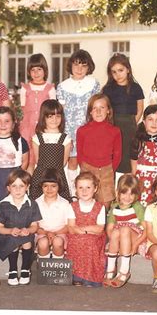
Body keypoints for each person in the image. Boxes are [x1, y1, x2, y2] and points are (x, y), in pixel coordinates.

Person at [56, 49, 101, 196]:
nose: (79, 69)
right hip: (70, 130)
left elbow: (97, 107)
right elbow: (61, 112)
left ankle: (87, 193)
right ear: (70, 66)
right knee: (72, 161)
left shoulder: (94, 84)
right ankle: (72, 193)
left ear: (89, 67)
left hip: (89, 129)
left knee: (87, 163)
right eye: (76, 65)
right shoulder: (63, 86)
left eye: (83, 65)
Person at [0, 169, 42, 286]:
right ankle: (12, 270)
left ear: (27, 187)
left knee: (27, 241)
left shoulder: (32, 204)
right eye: (14, 186)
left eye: (21, 186)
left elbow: (34, 226)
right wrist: (10, 230)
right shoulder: (3, 205)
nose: (17, 189)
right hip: (8, 235)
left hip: (26, 234)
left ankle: (25, 269)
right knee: (13, 241)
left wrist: (28, 230)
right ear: (8, 188)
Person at [76, 93, 122, 209]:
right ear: (90, 112)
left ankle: (103, 225)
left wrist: (110, 169)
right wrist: (85, 168)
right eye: (94, 108)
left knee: (105, 204)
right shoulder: (82, 130)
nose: (98, 111)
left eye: (102, 108)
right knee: (87, 202)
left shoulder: (115, 131)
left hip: (106, 171)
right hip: (87, 169)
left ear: (108, 111)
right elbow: (80, 153)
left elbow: (117, 154)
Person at [102, 53, 144, 175]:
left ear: (128, 70)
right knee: (114, 155)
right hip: (113, 124)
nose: (117, 74)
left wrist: (132, 123)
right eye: (114, 72)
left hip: (130, 126)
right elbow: (105, 108)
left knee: (128, 156)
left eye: (120, 70)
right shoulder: (108, 88)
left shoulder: (135, 87)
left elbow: (140, 108)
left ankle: (127, 186)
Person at [104, 174, 146, 288]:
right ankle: (110, 270)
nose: (128, 197)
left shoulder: (137, 207)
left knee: (124, 228)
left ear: (136, 194)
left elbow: (147, 230)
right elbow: (109, 229)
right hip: (121, 237)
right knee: (116, 231)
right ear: (118, 192)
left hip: (137, 239)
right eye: (124, 193)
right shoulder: (115, 207)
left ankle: (124, 270)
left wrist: (135, 245)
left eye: (131, 193)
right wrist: (114, 241)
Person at [66, 172, 106, 287]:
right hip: (76, 235)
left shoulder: (100, 207)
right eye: (80, 188)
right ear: (76, 190)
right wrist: (85, 231)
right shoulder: (72, 206)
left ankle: (90, 277)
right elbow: (71, 227)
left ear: (95, 189)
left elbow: (99, 228)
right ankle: (76, 276)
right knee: (77, 241)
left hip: (95, 237)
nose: (84, 191)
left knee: (90, 242)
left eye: (88, 187)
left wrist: (85, 230)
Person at [19, 54, 56, 174]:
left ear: (45, 70)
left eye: (39, 69)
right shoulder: (25, 88)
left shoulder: (50, 88)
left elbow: (52, 110)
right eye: (33, 70)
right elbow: (23, 108)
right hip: (27, 128)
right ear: (29, 72)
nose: (36, 73)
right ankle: (27, 184)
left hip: (43, 128)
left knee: (42, 158)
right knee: (28, 159)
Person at [130, 105, 157, 206]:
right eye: (150, 119)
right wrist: (134, 181)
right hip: (142, 180)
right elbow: (134, 165)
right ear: (144, 121)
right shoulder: (138, 141)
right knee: (141, 204)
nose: (154, 123)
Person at [29, 99, 71, 201]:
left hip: (57, 177)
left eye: (58, 116)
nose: (54, 120)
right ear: (43, 117)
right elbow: (38, 160)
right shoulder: (37, 138)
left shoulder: (66, 139)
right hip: (40, 177)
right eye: (50, 116)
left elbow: (64, 162)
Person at [35, 168, 75, 259]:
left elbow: (68, 226)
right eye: (46, 186)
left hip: (61, 233)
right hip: (42, 233)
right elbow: (35, 225)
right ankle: (44, 268)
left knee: (58, 242)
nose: (49, 189)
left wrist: (55, 233)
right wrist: (46, 233)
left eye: (53, 186)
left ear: (59, 186)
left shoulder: (65, 203)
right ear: (41, 186)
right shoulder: (36, 203)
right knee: (43, 242)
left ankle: (57, 266)